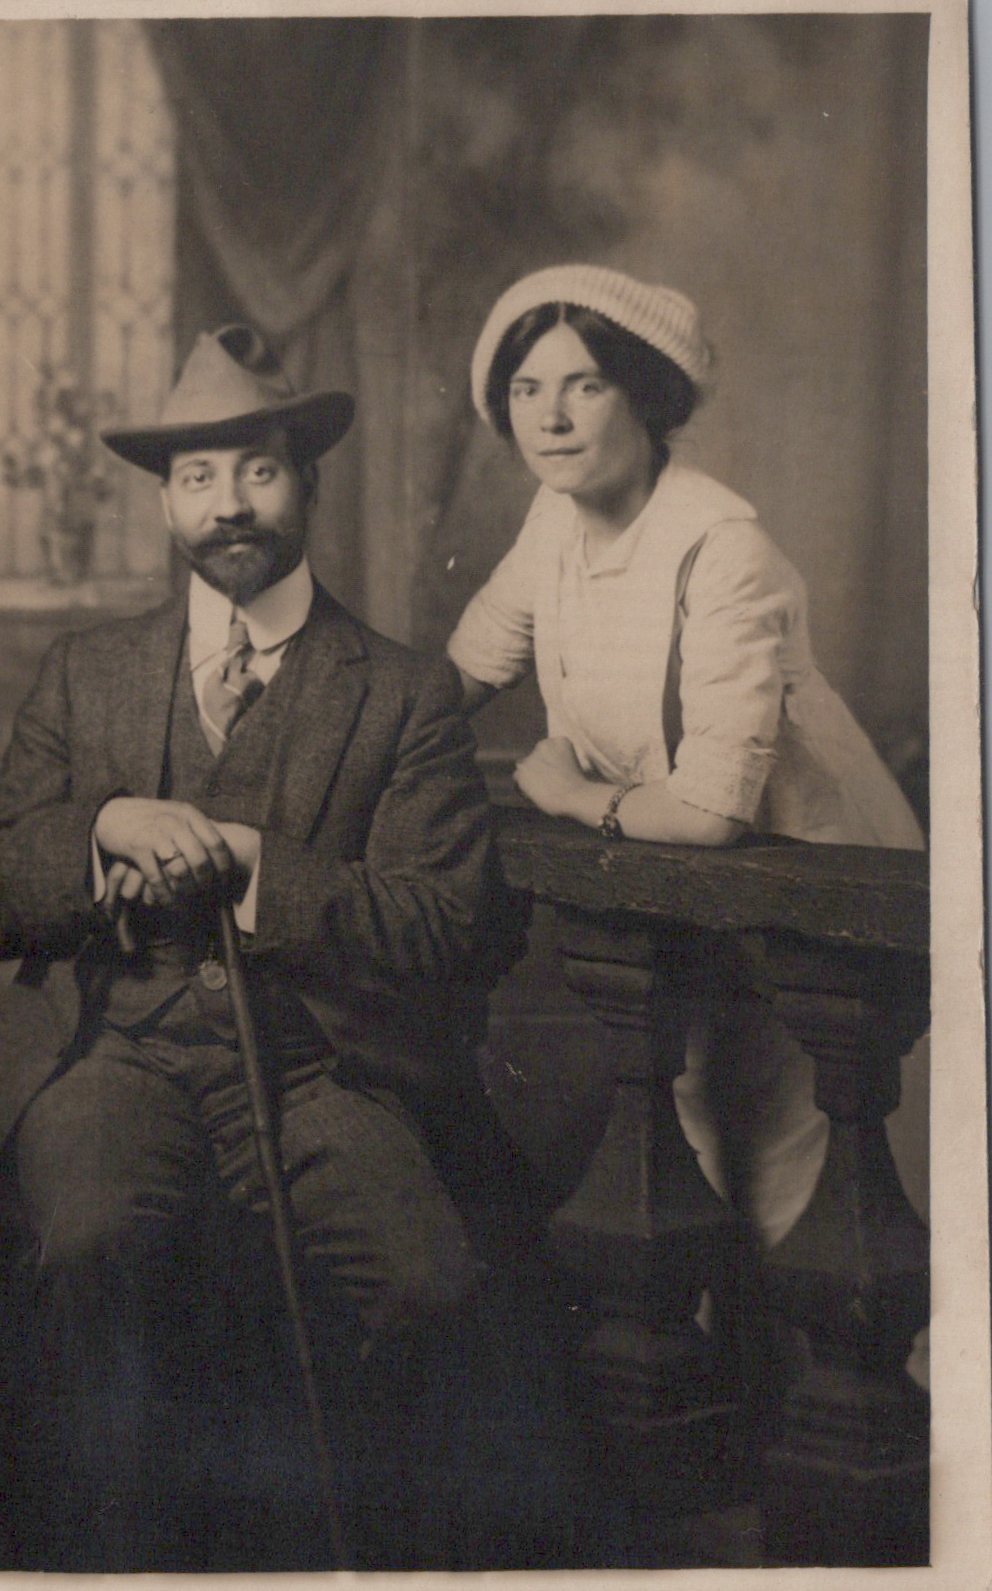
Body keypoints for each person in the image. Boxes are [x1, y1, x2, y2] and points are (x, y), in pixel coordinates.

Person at [0, 325, 525, 1571]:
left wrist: (256, 868)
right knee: (93, 1244)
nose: (227, 502)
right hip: (114, 1055)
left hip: (321, 1069)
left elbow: (447, 926)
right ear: (165, 501)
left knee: (429, 1286)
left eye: (257, 469)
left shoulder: (400, 693)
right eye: (196, 476)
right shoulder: (85, 672)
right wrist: (103, 828)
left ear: (307, 483)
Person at [448, 262, 925, 1252]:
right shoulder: (554, 519)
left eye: (584, 385)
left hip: (822, 887)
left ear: (645, 396)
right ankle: (729, 1345)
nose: (550, 418)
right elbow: (462, 670)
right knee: (702, 1129)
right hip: (694, 887)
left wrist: (572, 794)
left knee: (805, 1165)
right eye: (527, 389)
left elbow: (710, 809)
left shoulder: (719, 546)